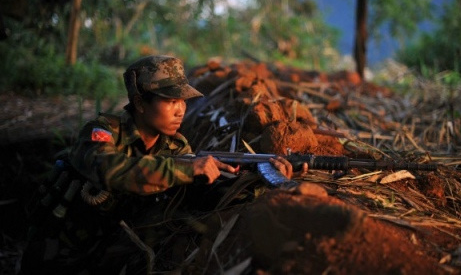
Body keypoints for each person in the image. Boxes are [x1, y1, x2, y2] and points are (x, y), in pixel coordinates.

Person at [20, 55, 305, 274]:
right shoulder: (104, 131)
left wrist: (255, 178)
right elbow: (109, 169)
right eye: (170, 100)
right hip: (59, 253)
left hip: (113, 253)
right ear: (140, 103)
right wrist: (187, 169)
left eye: (183, 100)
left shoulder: (175, 146)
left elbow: (199, 197)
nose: (181, 109)